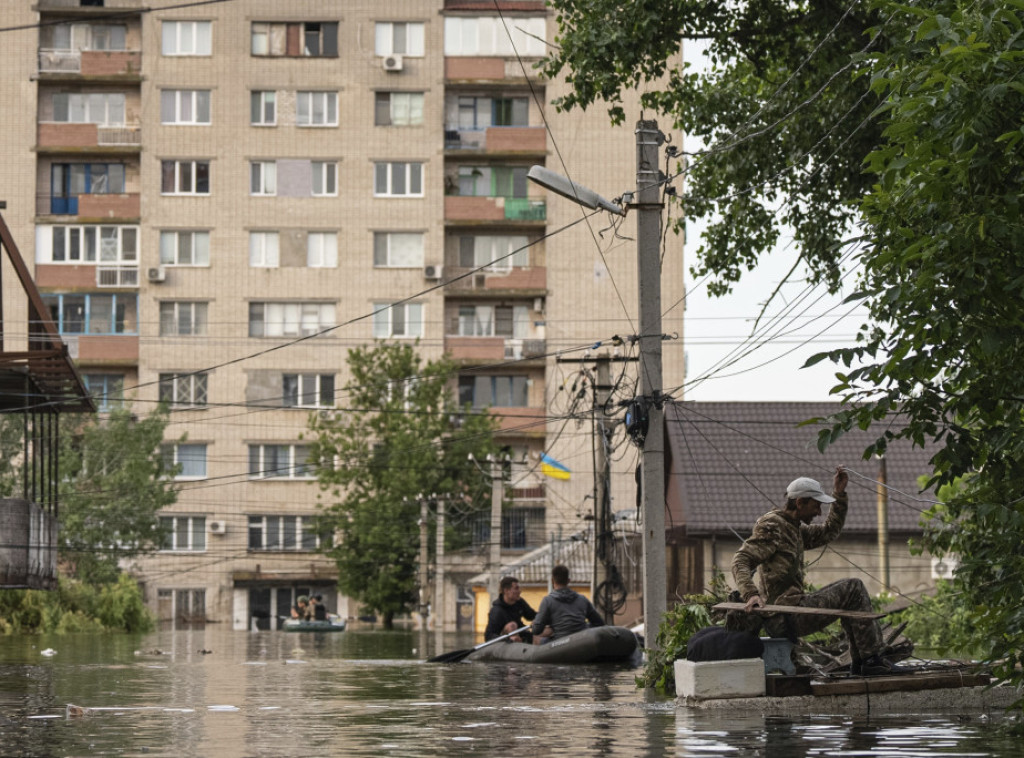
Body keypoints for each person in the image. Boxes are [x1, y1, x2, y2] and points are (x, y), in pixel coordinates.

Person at [731, 467, 901, 676]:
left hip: (791, 611)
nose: (819, 512)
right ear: (800, 502)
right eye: (816, 506)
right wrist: (751, 594)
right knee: (853, 588)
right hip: (784, 616)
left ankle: (862, 662)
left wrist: (839, 493)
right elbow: (741, 560)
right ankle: (871, 659)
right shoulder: (774, 526)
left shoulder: (794, 528)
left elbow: (829, 531)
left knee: (850, 595)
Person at [531, 565, 604, 643]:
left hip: (559, 643)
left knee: (536, 637)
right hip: (581, 641)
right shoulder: (582, 599)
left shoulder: (547, 601)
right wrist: (585, 627)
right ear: (568, 581)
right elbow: (599, 623)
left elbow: (536, 630)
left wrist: (535, 623)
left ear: (552, 581)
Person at [484, 576, 536, 642]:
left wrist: (540, 618)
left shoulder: (519, 602)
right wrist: (507, 639)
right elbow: (488, 636)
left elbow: (532, 615)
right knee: (512, 626)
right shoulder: (497, 611)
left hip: (521, 634)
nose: (519, 591)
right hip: (505, 642)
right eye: (516, 588)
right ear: (506, 591)